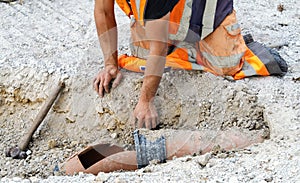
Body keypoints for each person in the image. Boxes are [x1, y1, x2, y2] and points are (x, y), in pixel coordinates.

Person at [93, 0, 287, 130]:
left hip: (206, 15)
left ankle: (244, 47)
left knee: (226, 65)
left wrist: (146, 101)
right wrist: (110, 65)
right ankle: (175, 37)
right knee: (143, 56)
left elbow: (159, 47)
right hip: (163, 11)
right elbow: (103, 11)